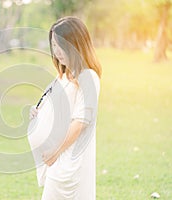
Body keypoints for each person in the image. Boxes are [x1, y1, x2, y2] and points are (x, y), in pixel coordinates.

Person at [28, 16, 102, 200]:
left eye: (61, 45)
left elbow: (80, 122)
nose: (56, 51)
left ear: (76, 44)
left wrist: (55, 151)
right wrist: (39, 113)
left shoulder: (88, 77)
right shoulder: (64, 75)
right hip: (58, 158)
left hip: (69, 158)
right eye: (53, 45)